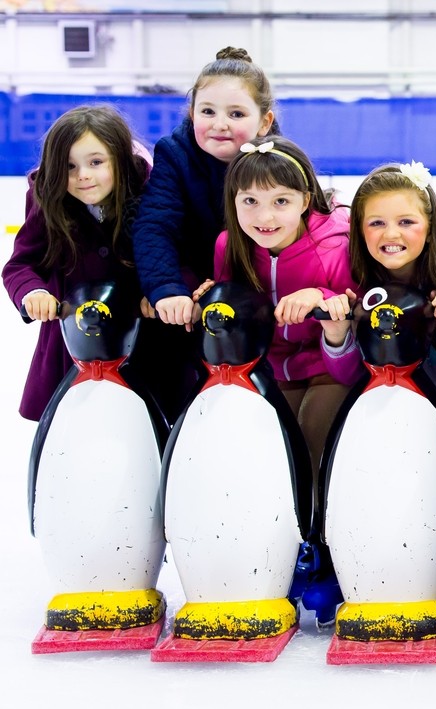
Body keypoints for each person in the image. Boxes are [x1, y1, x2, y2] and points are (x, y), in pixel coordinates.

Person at [197, 135, 356, 626]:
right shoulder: (231, 246)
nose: (265, 216)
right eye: (250, 202)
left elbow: (354, 297)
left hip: (325, 366)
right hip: (269, 368)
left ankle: (325, 550)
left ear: (305, 200)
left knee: (311, 441)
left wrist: (323, 294)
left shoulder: (333, 245)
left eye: (281, 202)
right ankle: (279, 550)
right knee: (268, 457)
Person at [131, 46, 277, 420]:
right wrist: (167, 288)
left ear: (264, 122)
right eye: (207, 111)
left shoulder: (278, 163)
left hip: (255, 294)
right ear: (192, 112)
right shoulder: (175, 154)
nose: (219, 124)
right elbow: (154, 224)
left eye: (237, 113)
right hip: (189, 294)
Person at [3, 105, 154, 421]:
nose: (83, 175)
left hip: (143, 345)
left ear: (120, 160)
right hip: (70, 349)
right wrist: (33, 293)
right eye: (69, 166)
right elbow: (21, 264)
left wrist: (162, 291)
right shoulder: (47, 199)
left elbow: (172, 254)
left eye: (96, 162)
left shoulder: (148, 193)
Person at [321, 161, 436, 445]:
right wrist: (337, 336)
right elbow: (349, 376)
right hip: (386, 418)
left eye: (406, 222)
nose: (391, 234)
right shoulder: (355, 290)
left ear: (430, 225)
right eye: (377, 223)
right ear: (360, 230)